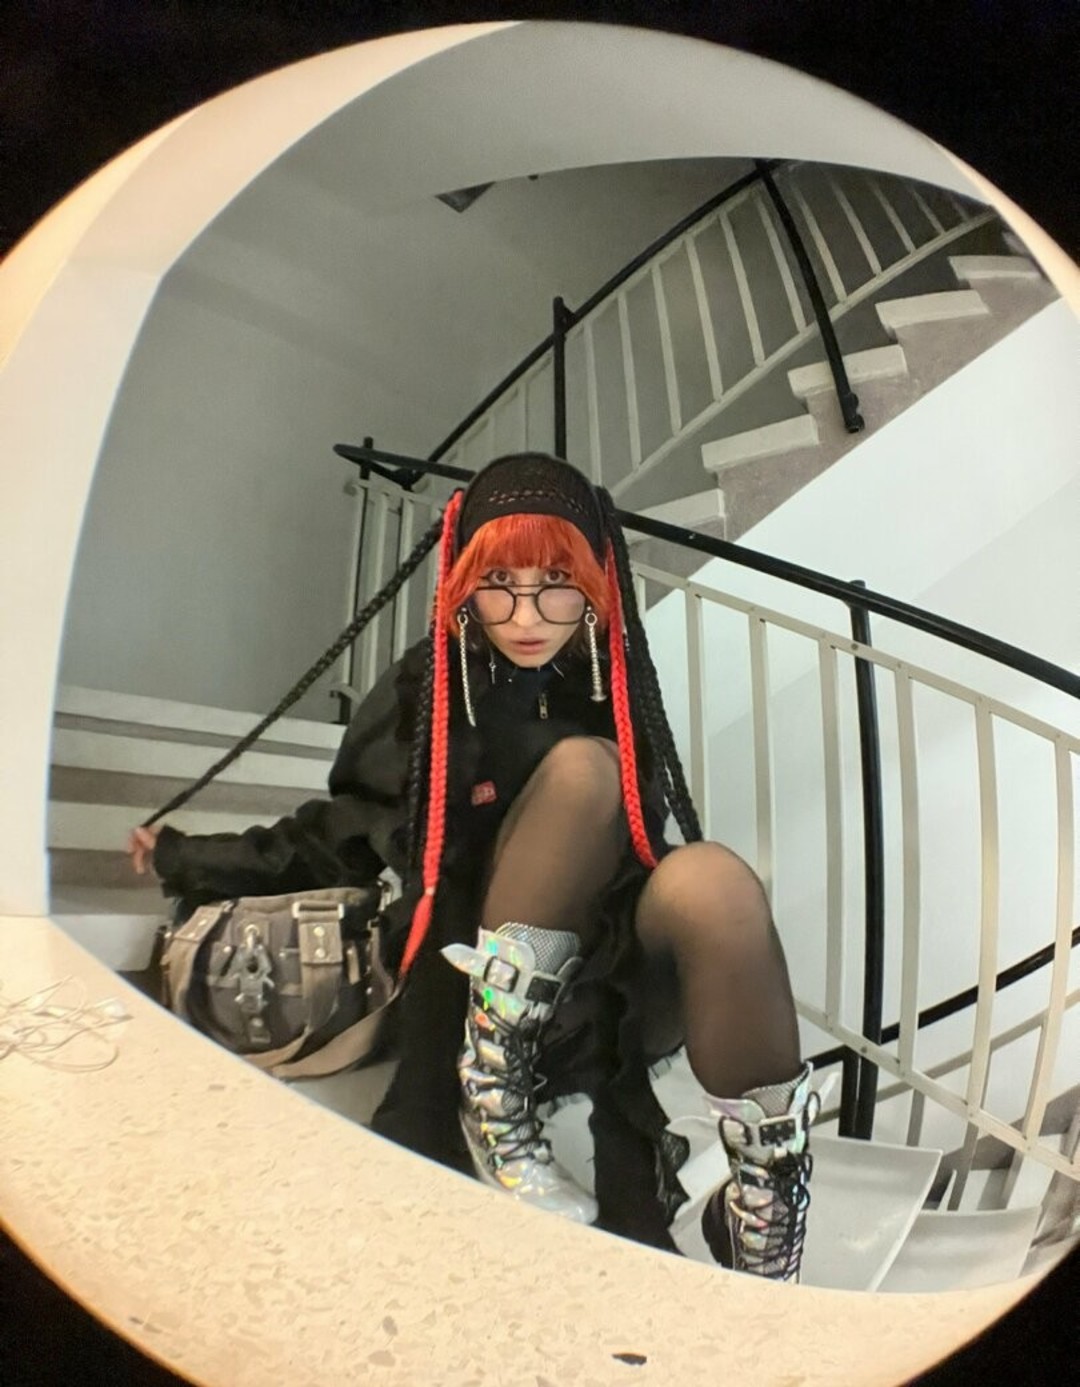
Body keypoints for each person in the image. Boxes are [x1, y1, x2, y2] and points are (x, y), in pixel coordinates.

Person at [128, 452, 820, 1281]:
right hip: (469, 981)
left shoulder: (613, 678)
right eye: (499, 583)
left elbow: (641, 849)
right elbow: (336, 832)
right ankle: (491, 1093)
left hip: (605, 986)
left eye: (556, 584)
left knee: (717, 882)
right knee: (585, 771)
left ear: (595, 585)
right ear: (464, 582)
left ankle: (764, 1202)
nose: (526, 615)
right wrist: (185, 855)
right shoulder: (428, 686)